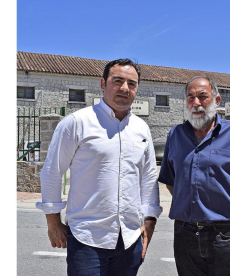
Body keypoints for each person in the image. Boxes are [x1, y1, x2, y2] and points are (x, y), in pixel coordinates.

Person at [36, 59, 162, 276]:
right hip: (87, 239)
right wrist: (53, 222)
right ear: (103, 84)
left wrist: (150, 221)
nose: (125, 88)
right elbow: (52, 172)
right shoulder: (77, 122)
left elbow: (149, 178)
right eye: (118, 81)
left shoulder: (142, 128)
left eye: (132, 83)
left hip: (130, 239)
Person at [158, 76, 230, 276]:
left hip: (224, 235)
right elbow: (172, 183)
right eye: (190, 97)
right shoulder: (175, 135)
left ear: (216, 100)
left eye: (202, 97)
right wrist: (191, 205)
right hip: (185, 233)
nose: (196, 103)